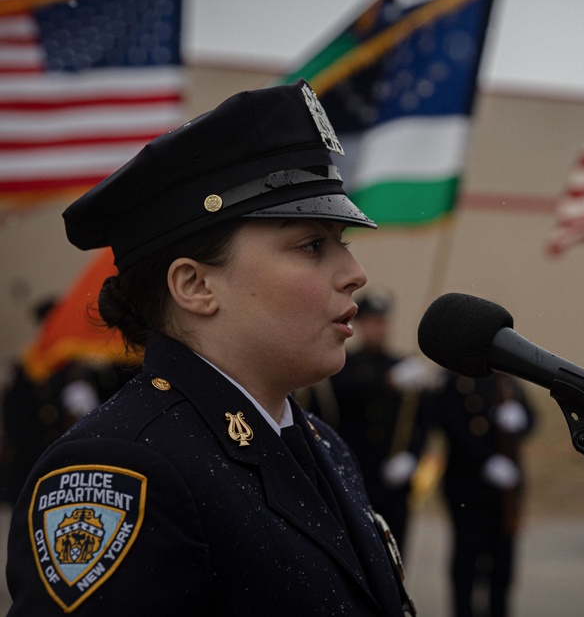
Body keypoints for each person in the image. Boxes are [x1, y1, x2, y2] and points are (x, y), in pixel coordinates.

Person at [5, 81, 415, 616]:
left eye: (344, 243)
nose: (354, 274)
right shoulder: (123, 472)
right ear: (195, 286)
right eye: (312, 245)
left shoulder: (322, 444)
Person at [303, 288, 439, 557]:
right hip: (355, 476)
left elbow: (422, 422)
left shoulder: (403, 365)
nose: (379, 328)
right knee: (360, 554)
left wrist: (411, 458)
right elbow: (342, 392)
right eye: (373, 322)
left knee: (396, 552)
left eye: (383, 321)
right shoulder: (344, 365)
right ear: (361, 325)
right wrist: (387, 382)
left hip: (395, 480)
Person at [434, 372, 534, 617]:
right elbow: (451, 423)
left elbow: (532, 418)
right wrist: (486, 463)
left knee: (502, 566)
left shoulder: (506, 380)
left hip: (504, 491)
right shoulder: (456, 380)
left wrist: (523, 419)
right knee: (467, 563)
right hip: (468, 490)